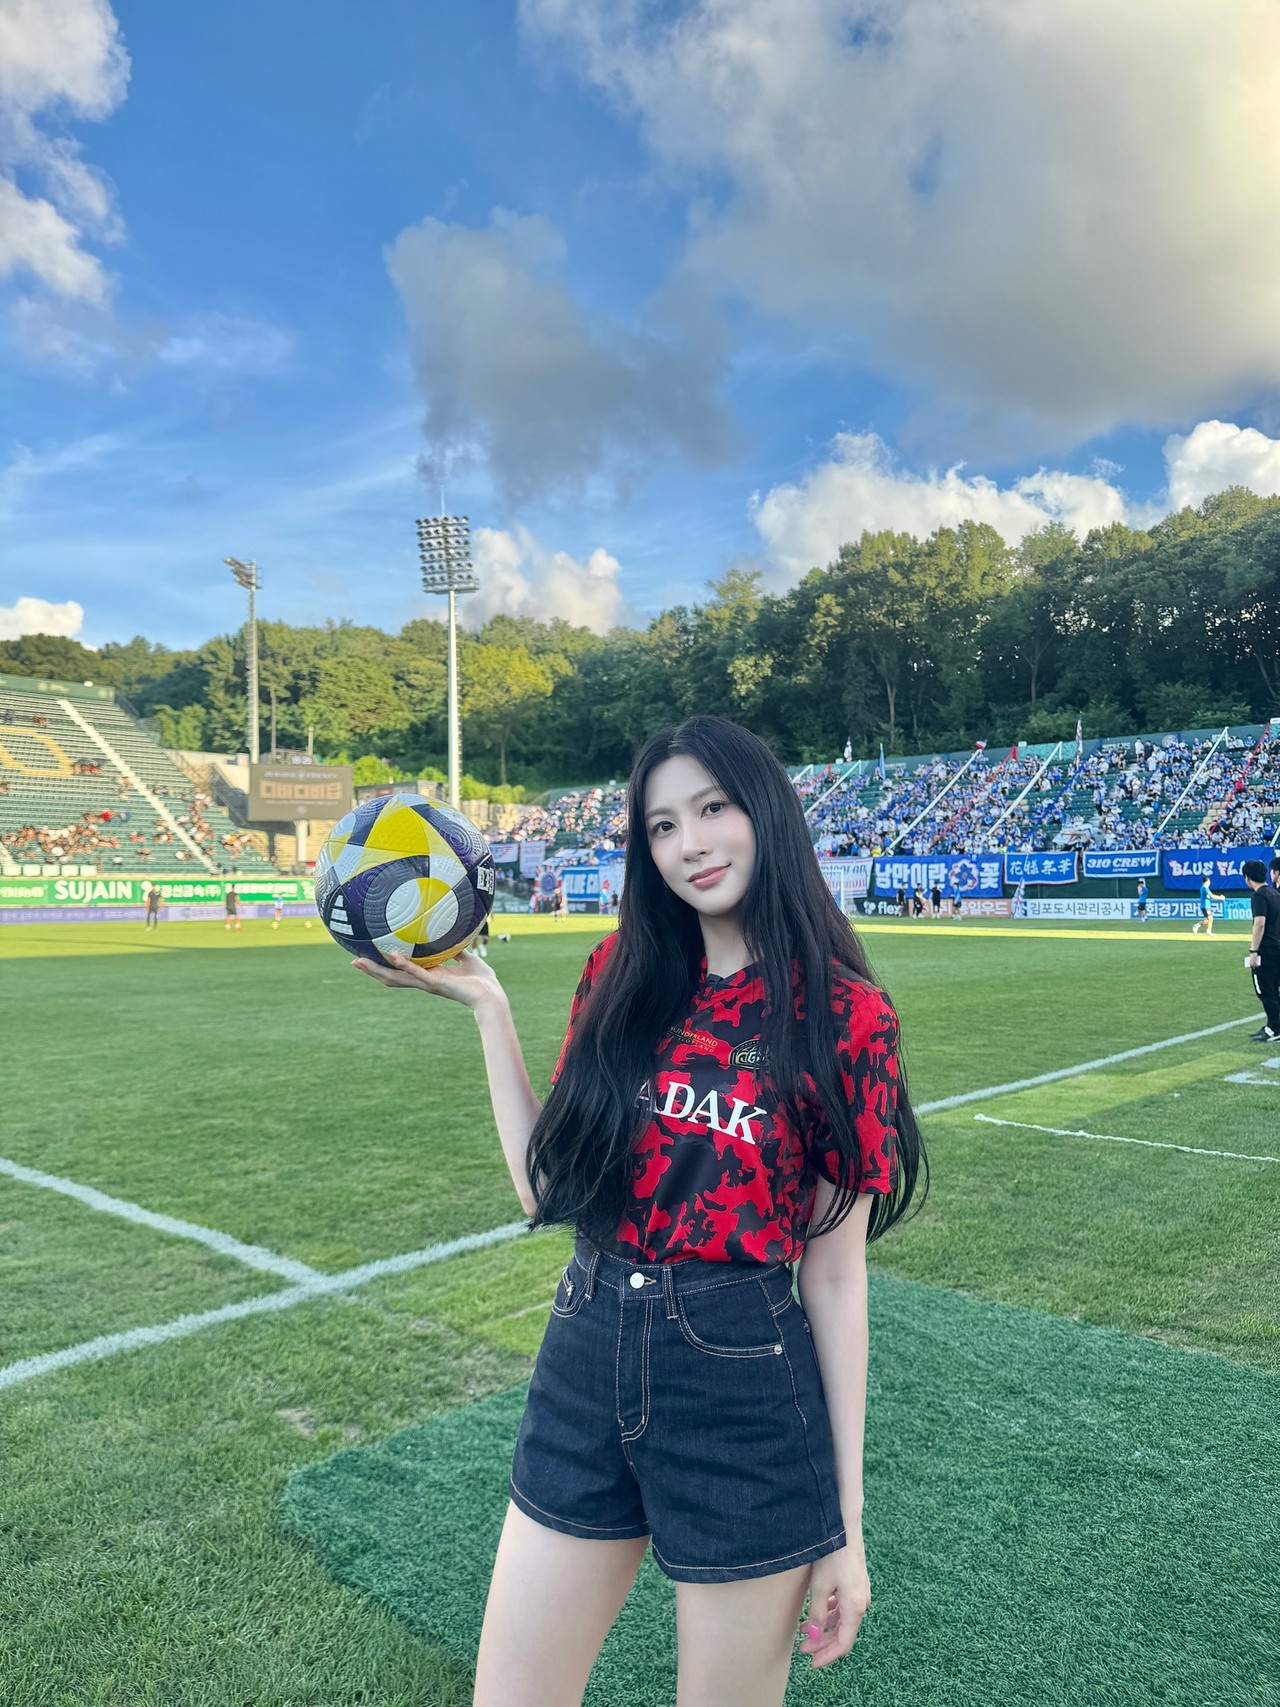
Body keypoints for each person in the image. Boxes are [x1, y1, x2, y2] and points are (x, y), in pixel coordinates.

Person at [351, 714, 926, 1706]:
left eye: (712, 808)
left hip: (742, 1380)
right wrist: (490, 1010)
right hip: (584, 1349)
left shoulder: (846, 1018)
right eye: (661, 826)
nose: (689, 843)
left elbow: (834, 1277)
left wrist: (846, 1524)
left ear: (765, 811)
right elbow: (548, 1190)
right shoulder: (617, 975)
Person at [1243, 859, 1280, 1043]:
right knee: (1274, 989)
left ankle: (1275, 1028)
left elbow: (1259, 923)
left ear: (1247, 878)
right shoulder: (1275, 893)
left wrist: (1254, 951)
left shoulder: (1259, 896)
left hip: (1266, 950)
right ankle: (1274, 1025)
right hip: (1277, 947)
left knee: (1264, 990)